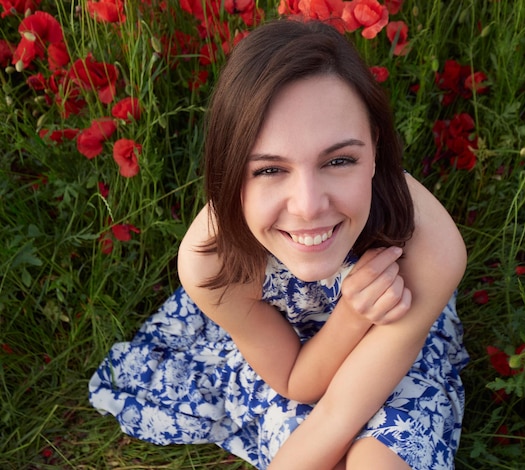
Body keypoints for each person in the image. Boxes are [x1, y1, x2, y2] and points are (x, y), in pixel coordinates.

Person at [89, 19, 469, 470]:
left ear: (375, 149)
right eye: (269, 169)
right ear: (230, 170)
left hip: (399, 336)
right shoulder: (210, 263)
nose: (309, 206)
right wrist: (350, 313)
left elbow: (342, 410)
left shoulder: (429, 245)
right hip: (286, 357)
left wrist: (368, 313)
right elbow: (295, 380)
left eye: (340, 160)